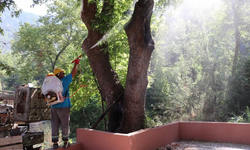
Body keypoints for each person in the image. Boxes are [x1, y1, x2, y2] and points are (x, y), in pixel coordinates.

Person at [51, 58, 80, 149]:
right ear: (59, 74)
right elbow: (73, 73)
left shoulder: (52, 83)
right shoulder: (63, 81)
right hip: (63, 107)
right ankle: (66, 142)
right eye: (62, 73)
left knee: (54, 125)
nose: (64, 74)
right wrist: (76, 64)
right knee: (65, 124)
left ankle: (55, 143)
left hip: (53, 107)